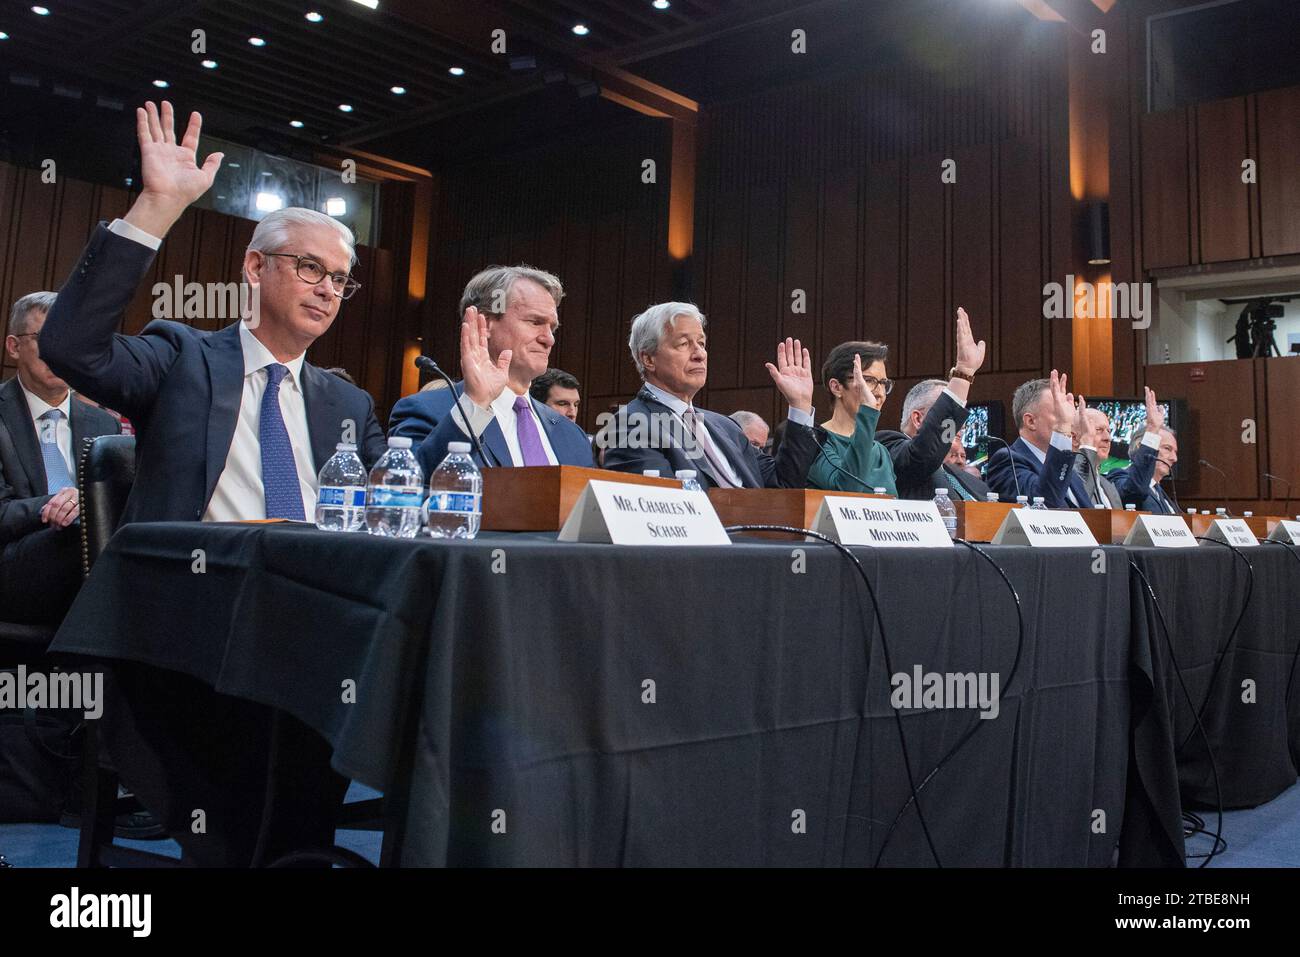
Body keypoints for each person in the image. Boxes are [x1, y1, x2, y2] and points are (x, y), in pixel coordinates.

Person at [39, 101, 387, 526]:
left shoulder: (348, 403)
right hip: (201, 579)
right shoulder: (181, 360)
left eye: (339, 279)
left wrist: (477, 403)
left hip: (316, 583)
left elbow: (400, 494)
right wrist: (156, 206)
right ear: (257, 266)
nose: (327, 291)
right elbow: (70, 347)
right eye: (311, 267)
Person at [388, 266, 593, 473]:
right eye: (535, 322)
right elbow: (407, 486)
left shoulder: (573, 436)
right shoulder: (427, 411)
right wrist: (475, 405)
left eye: (553, 328)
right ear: (484, 324)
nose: (549, 339)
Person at [601, 302, 819, 488]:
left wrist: (799, 405)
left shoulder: (727, 427)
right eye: (684, 343)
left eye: (702, 343)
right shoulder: (631, 425)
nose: (700, 354)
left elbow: (783, 486)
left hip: (762, 534)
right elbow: (664, 510)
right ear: (648, 359)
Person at [1, 292, 120, 625]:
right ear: (14, 346)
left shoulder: (104, 423)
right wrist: (56, 505)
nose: (59, 351)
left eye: (68, 339)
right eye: (45, 339)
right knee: (79, 534)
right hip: (16, 559)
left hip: (89, 557)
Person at [876, 308, 989, 501]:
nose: (958, 429)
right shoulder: (887, 445)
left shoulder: (967, 479)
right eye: (950, 422)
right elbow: (922, 456)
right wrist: (963, 373)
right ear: (918, 418)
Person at [985, 371, 1094, 507]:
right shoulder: (1007, 461)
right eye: (1058, 413)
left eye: (1068, 413)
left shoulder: (1067, 468)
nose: (1069, 421)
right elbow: (1044, 504)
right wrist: (1062, 427)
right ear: (1030, 421)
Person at [806, 342, 897, 494]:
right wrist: (867, 412)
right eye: (868, 380)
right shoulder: (815, 441)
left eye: (883, 383)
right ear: (836, 387)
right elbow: (848, 490)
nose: (880, 393)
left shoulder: (881, 451)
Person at [1107, 394, 1178, 513]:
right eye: (1167, 448)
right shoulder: (1119, 476)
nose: (1174, 458)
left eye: (1175, 452)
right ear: (1141, 447)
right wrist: (1152, 430)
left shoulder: (1159, 491)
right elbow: (1135, 491)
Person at [1073, 407, 1123, 508]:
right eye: (1098, 430)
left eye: (1109, 431)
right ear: (1074, 438)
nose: (1108, 438)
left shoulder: (1109, 486)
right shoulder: (1064, 481)